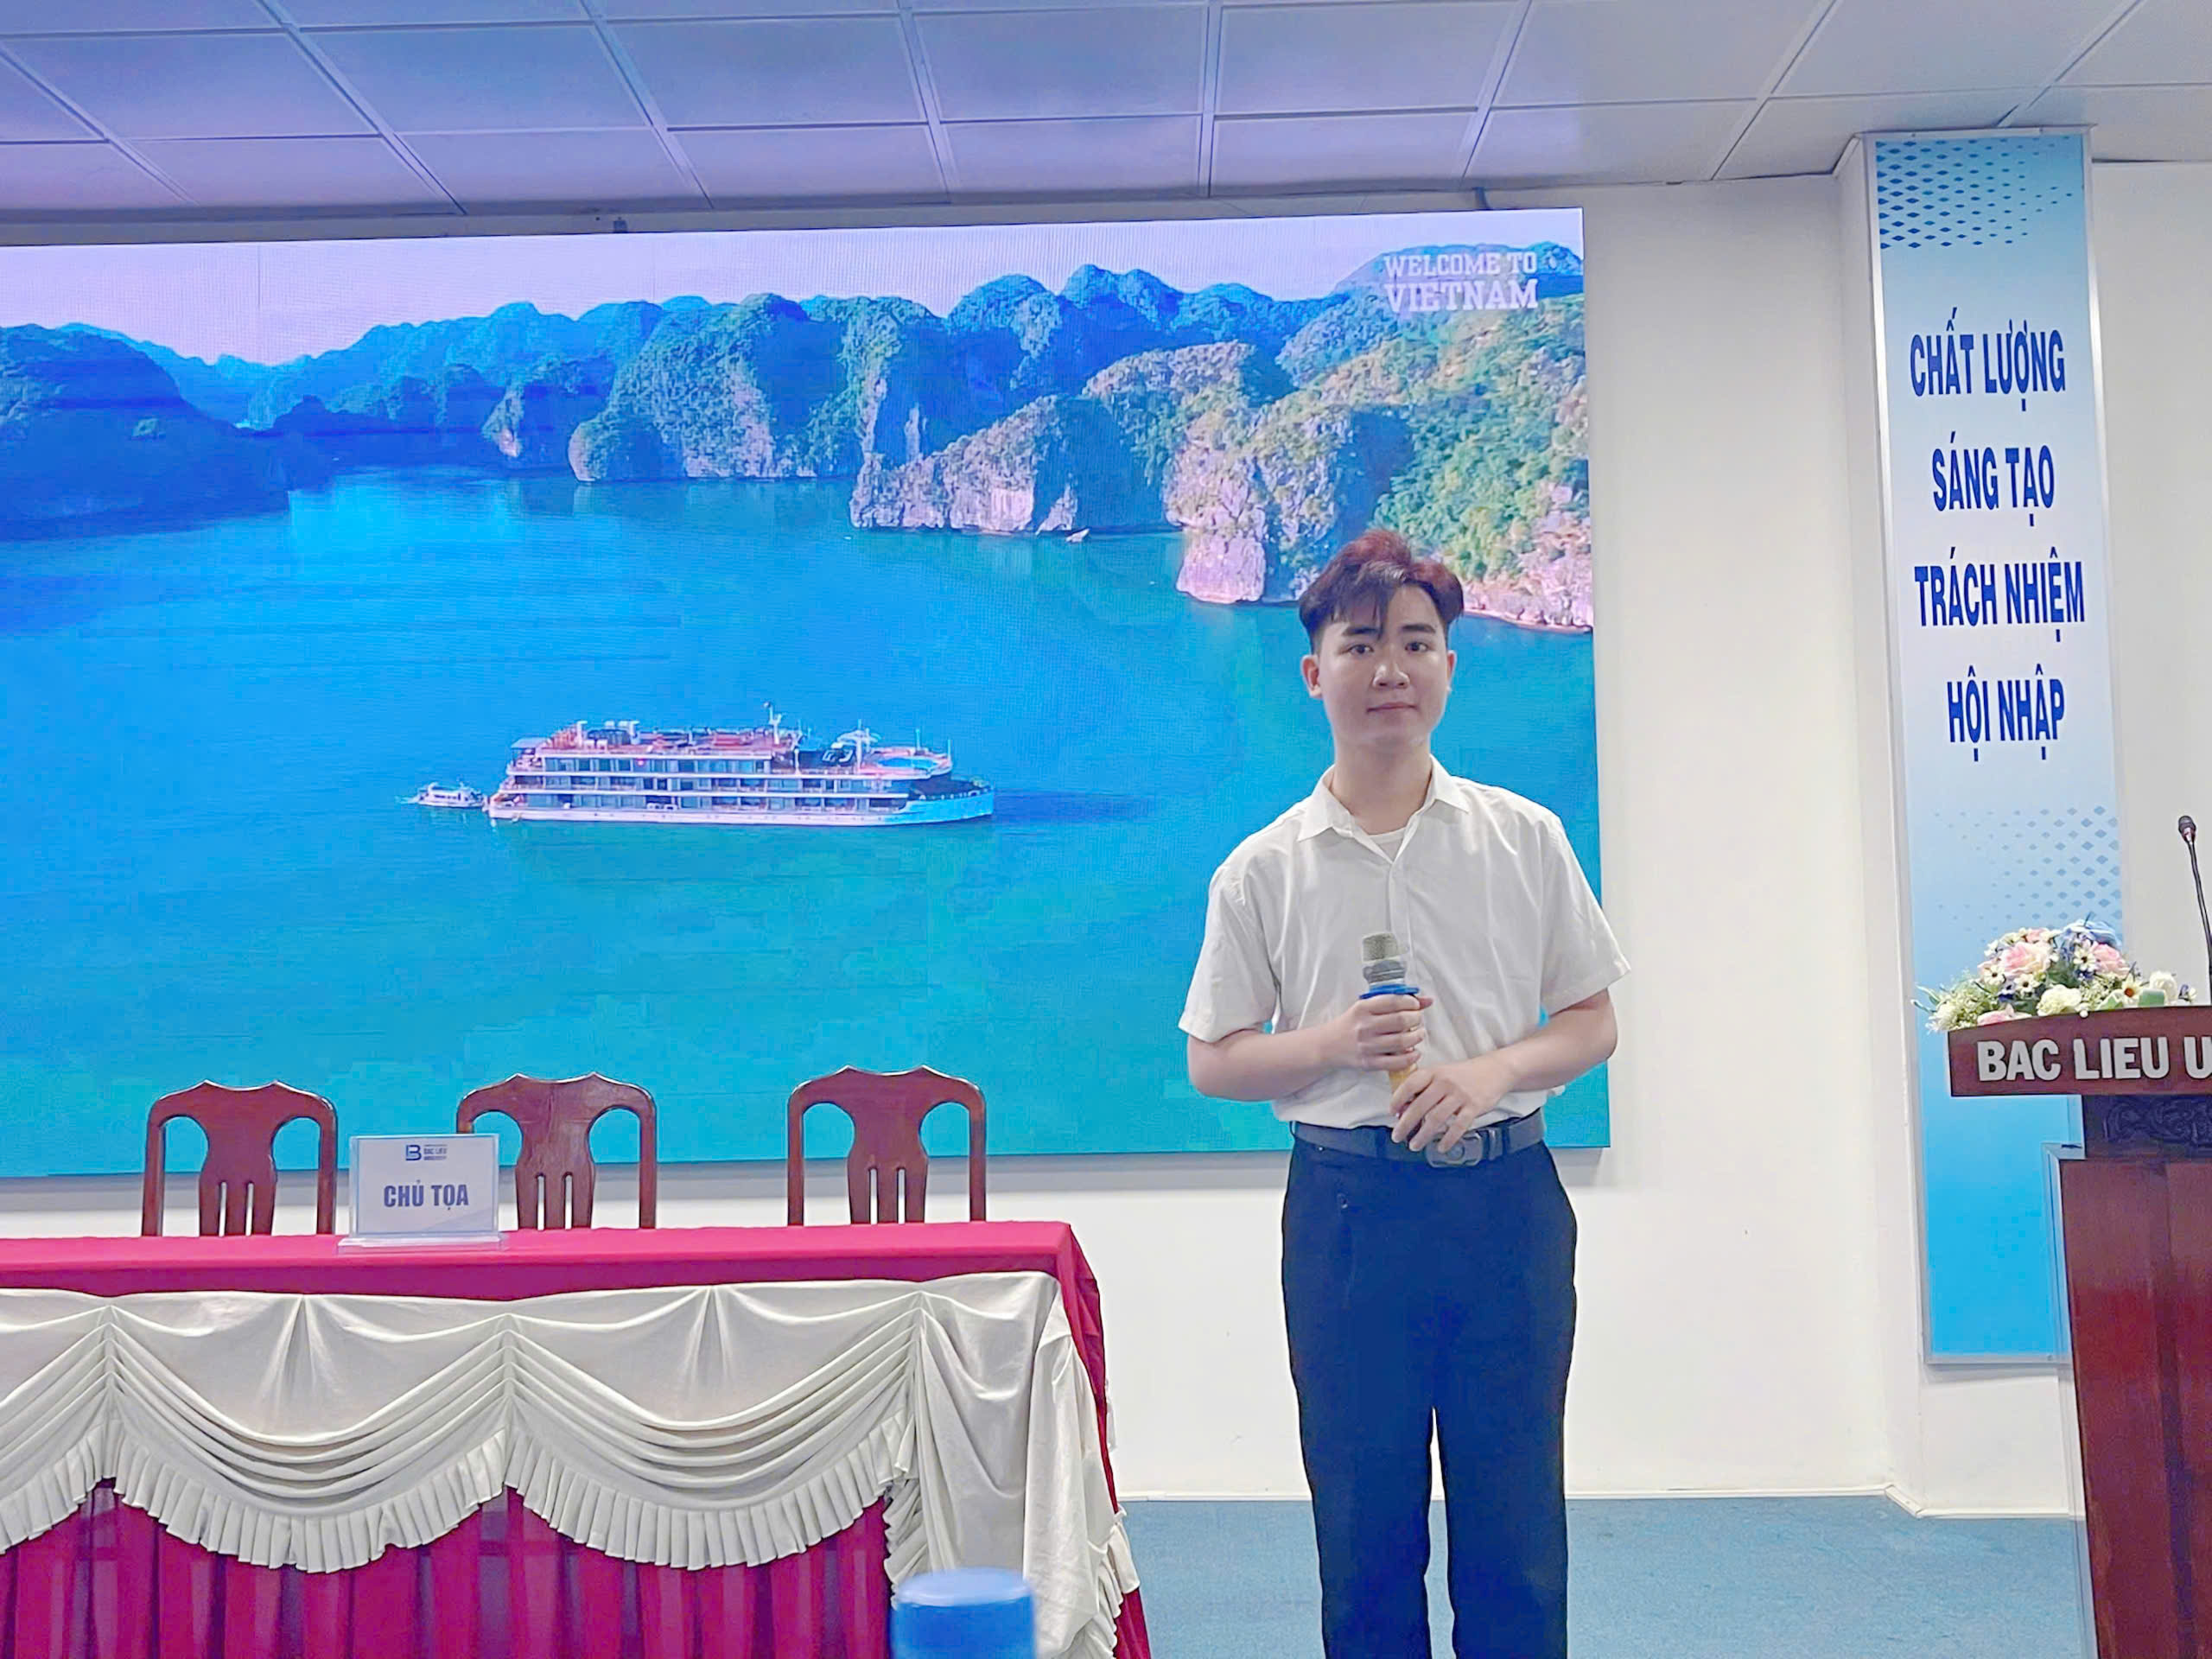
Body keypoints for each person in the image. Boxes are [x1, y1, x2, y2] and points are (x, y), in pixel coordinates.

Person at [1180, 528, 1627, 1659]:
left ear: (1449, 667)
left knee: (1516, 1528)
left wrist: (1489, 1073)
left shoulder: (1524, 839)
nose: (1391, 670)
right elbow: (1214, 1060)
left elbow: (1593, 1022)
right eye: (1362, 645)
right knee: (1363, 1530)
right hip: (1346, 1215)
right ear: (1314, 671)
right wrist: (1331, 1043)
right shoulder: (1264, 868)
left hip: (1506, 1206)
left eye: (1417, 644)